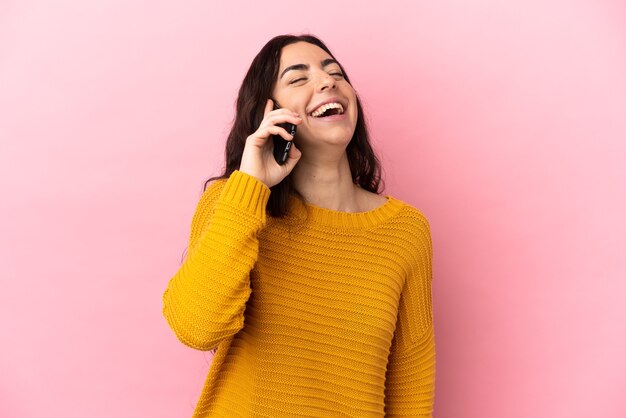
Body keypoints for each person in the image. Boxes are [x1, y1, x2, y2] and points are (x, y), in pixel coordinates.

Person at [162, 33, 436, 417]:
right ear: (267, 112)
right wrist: (251, 186)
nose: (328, 82)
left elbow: (411, 380)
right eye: (297, 78)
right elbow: (197, 327)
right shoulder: (234, 204)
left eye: (335, 72)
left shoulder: (405, 231)